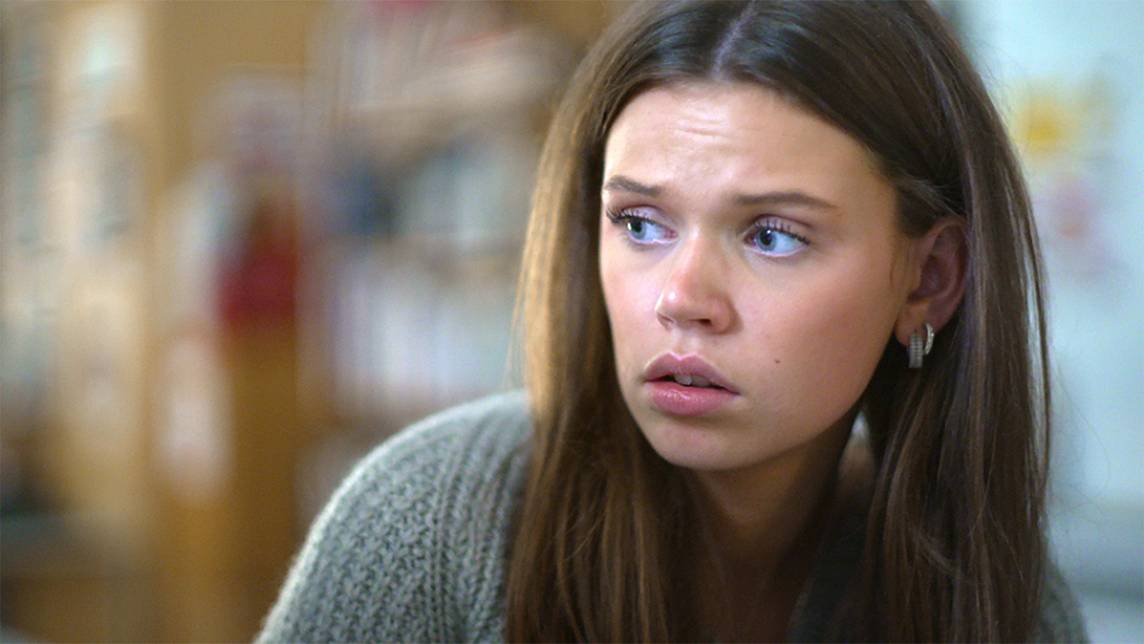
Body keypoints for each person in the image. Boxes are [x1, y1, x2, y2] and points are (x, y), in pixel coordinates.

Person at [257, 1, 1089, 641]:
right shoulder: (427, 529)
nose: (680, 298)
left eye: (772, 235)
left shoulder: (988, 592)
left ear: (930, 279)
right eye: (641, 224)